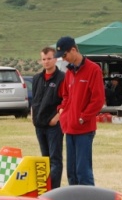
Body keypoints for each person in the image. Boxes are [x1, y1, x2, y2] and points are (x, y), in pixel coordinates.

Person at [55, 36, 105, 186]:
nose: (64, 60)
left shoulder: (93, 70)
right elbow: (65, 95)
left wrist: (83, 117)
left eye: (65, 55)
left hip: (84, 128)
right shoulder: (69, 72)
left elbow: (98, 100)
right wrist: (62, 111)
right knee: (71, 172)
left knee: (83, 171)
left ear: (74, 50)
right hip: (69, 127)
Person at [31, 47, 65, 189]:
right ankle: (45, 189)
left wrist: (57, 118)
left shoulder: (62, 78)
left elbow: (66, 100)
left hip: (53, 126)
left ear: (55, 59)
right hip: (40, 125)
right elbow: (35, 100)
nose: (46, 62)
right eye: (44, 59)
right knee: (45, 159)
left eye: (49, 58)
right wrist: (33, 116)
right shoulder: (36, 78)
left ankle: (54, 190)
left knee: (55, 159)